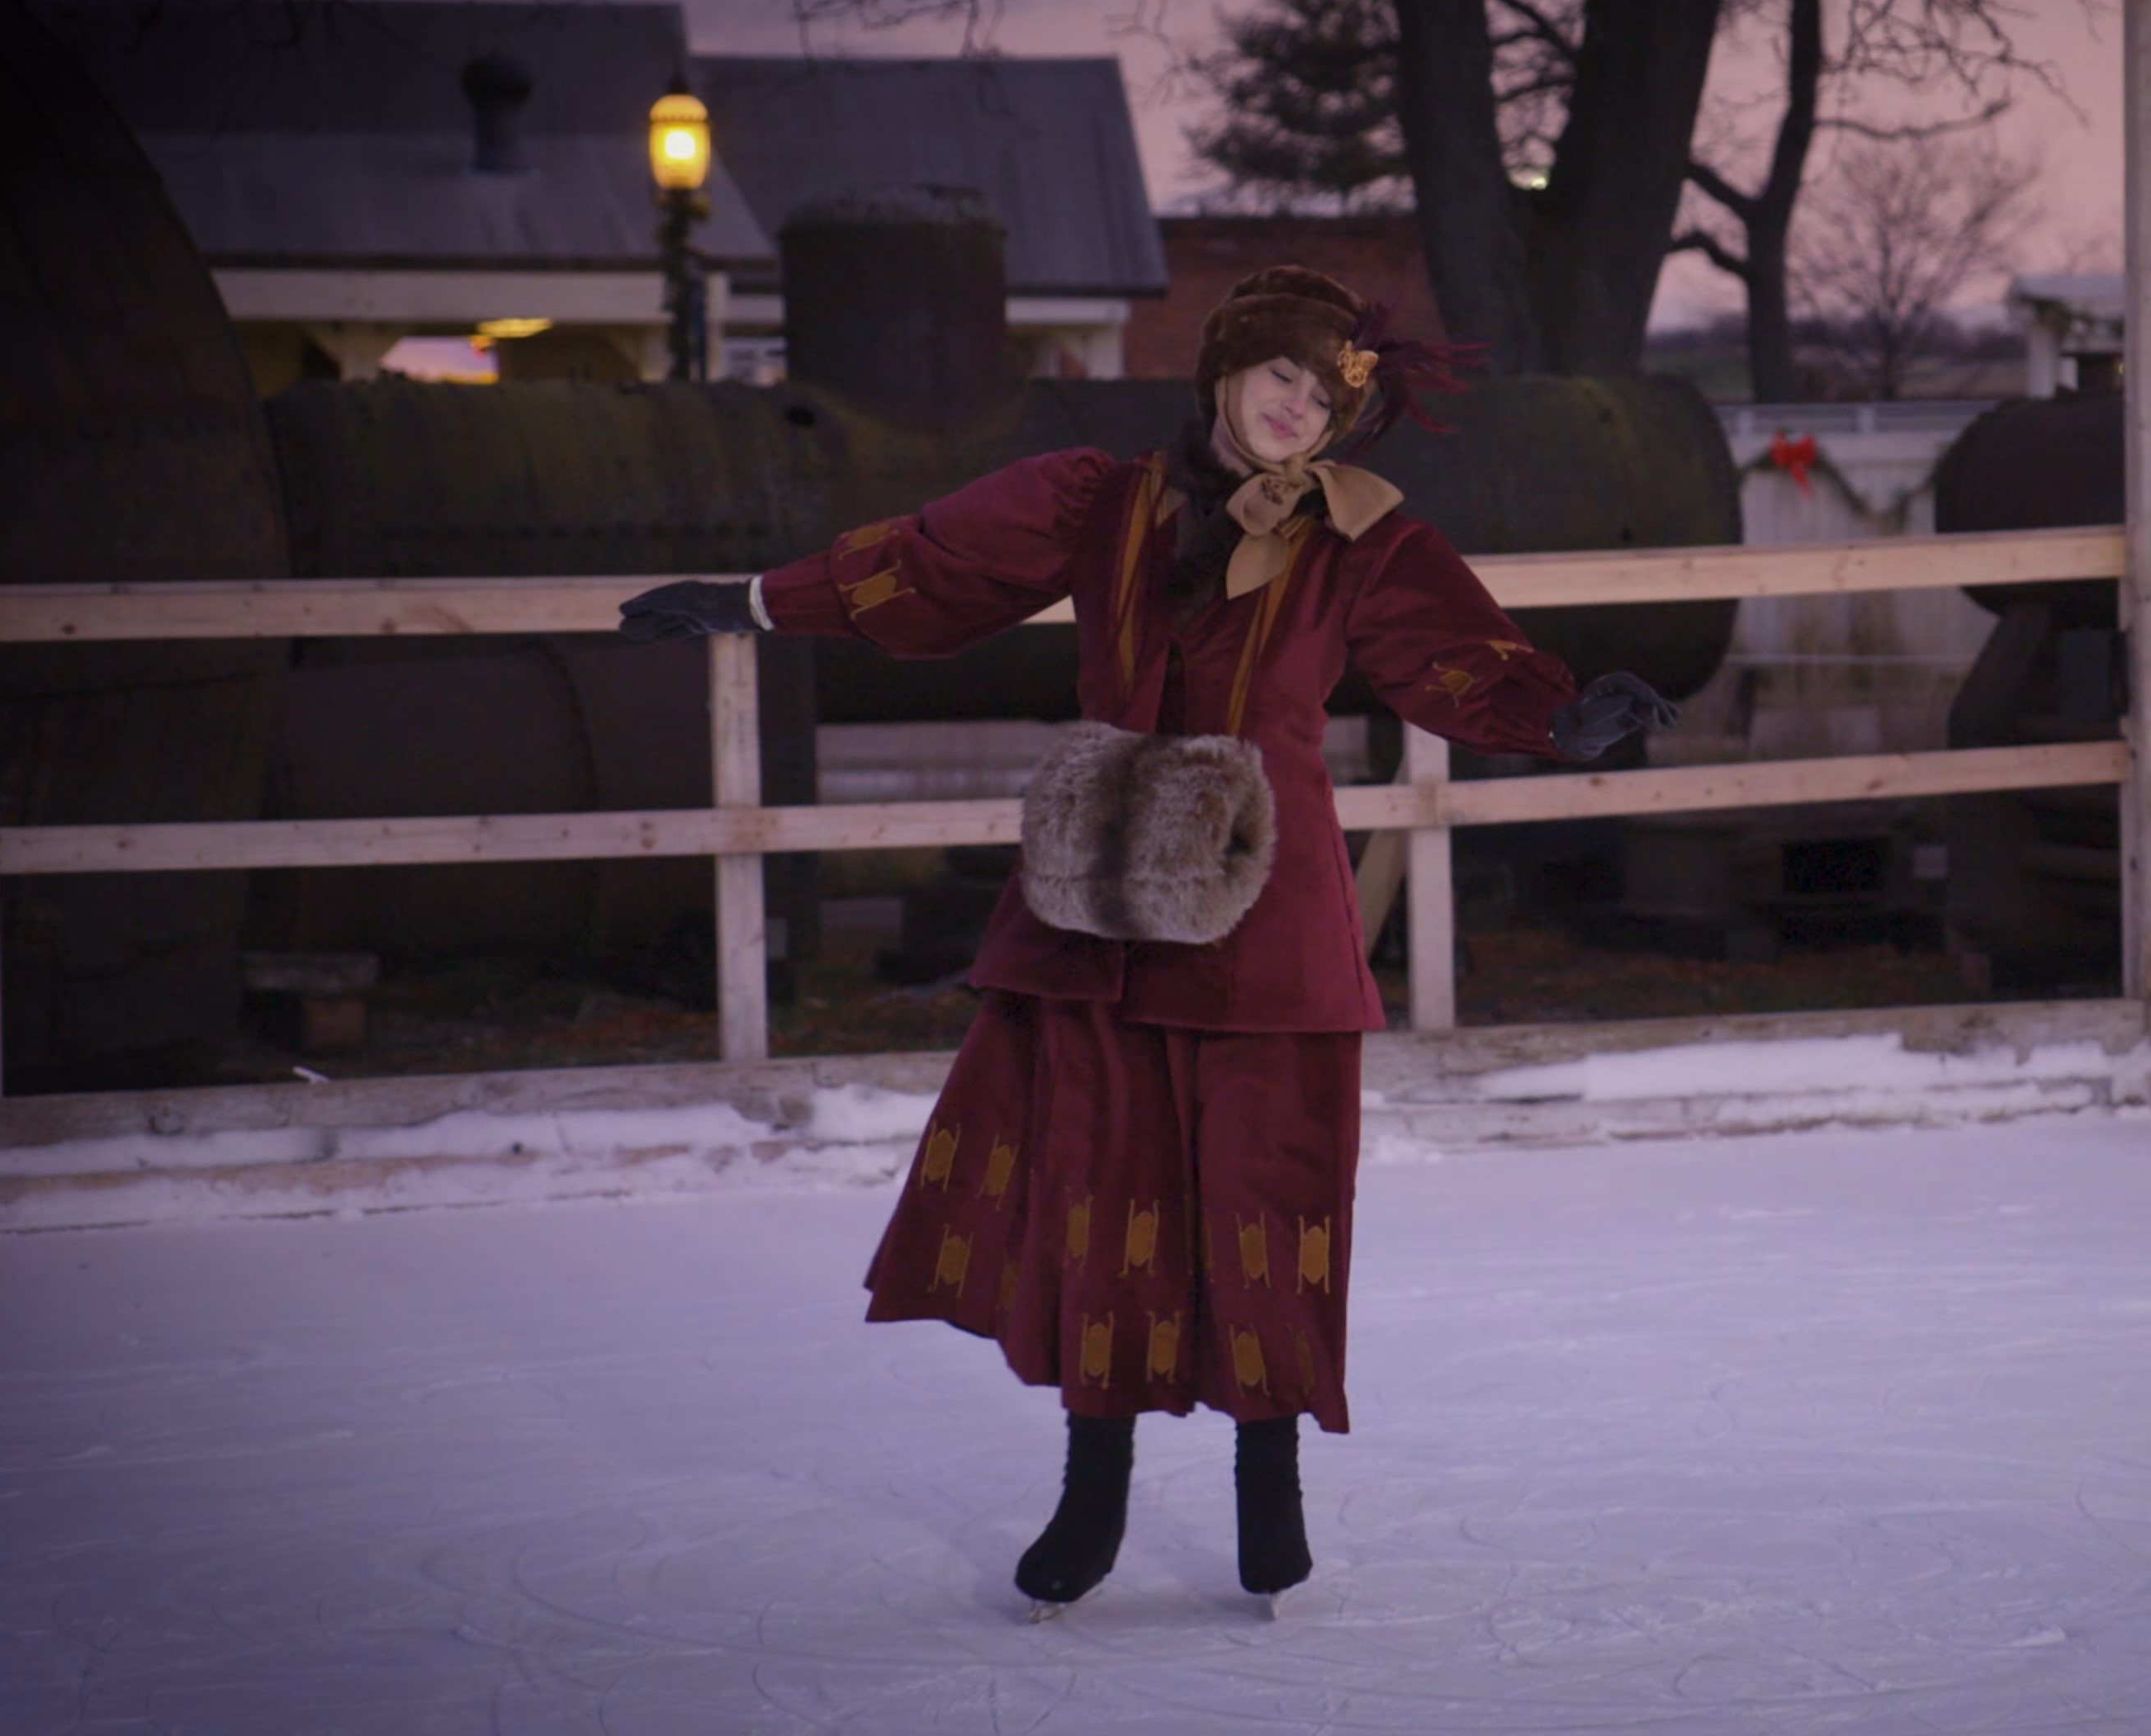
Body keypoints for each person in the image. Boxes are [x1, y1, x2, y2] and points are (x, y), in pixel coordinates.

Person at [618, 267, 1676, 1611]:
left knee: (1267, 1186)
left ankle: (1268, 1479)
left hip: (1268, 907)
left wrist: (1562, 717)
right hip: (1097, 904)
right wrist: (757, 603)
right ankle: (1093, 1491)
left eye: (1330, 397)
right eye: (1284, 377)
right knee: (1101, 1188)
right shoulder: (1097, 502)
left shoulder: (1366, 540)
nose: (1301, 410)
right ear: (1230, 372)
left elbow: (1450, 657)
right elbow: (940, 563)